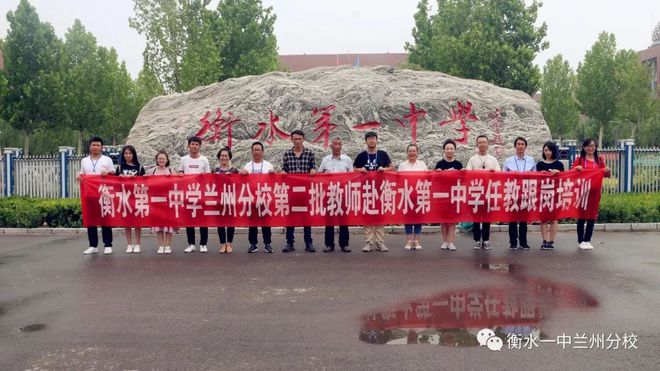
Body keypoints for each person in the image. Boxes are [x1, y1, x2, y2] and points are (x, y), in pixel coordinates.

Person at [353, 131, 393, 252]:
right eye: (369, 139)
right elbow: (353, 169)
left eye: (373, 138)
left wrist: (384, 169)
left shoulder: (383, 154)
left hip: (380, 189)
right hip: (366, 190)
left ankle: (380, 242)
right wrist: (360, 169)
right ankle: (369, 242)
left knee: (380, 216)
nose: (371, 140)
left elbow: (392, 167)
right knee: (368, 216)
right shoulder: (361, 156)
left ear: (376, 140)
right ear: (366, 141)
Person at [77, 136, 115, 255]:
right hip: (89, 194)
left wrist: (108, 172)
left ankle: (108, 244)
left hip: (104, 193)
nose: (95, 147)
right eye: (93, 145)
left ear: (102, 147)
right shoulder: (84, 161)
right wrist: (78, 177)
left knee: (105, 218)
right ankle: (93, 245)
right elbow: (82, 175)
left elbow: (113, 173)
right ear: (90, 147)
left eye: (98, 145)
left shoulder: (107, 160)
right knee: (91, 219)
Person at [281, 130, 317, 253]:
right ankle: (289, 243)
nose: (297, 141)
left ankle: (308, 242)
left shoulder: (309, 153)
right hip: (291, 191)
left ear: (303, 139)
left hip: (305, 191)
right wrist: (283, 173)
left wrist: (313, 170)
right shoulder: (287, 154)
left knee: (306, 218)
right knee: (290, 218)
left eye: (299, 139)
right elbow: (284, 169)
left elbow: (313, 167)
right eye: (295, 139)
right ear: (291, 140)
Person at [571, 138, 610, 250]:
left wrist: (607, 170)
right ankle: (581, 240)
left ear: (595, 147)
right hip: (582, 192)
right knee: (581, 216)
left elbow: (605, 174)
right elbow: (572, 173)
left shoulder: (599, 160)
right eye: (588, 146)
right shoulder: (580, 160)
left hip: (595, 192)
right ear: (584, 148)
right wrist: (576, 169)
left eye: (592, 146)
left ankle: (587, 239)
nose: (590, 148)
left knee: (592, 216)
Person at [318, 137, 353, 253]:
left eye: (339, 144)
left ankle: (344, 244)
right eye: (335, 144)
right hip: (329, 193)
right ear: (331, 146)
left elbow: (352, 177)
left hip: (343, 193)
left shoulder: (347, 160)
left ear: (341, 146)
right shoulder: (325, 160)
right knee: (329, 220)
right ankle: (329, 244)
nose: (337, 146)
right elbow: (319, 174)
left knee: (343, 220)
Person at [466, 134, 501, 250]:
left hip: (489, 192)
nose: (482, 144)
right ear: (476, 144)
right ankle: (476, 239)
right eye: (480, 142)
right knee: (476, 217)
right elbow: (467, 173)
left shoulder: (493, 160)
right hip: (476, 191)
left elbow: (499, 174)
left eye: (484, 142)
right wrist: (479, 171)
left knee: (487, 217)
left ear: (488, 144)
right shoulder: (472, 159)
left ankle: (486, 239)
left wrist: (492, 173)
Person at [178, 136, 211, 253]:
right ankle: (191, 243)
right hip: (188, 193)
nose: (194, 146)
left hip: (201, 193)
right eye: (192, 144)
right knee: (189, 219)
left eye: (197, 144)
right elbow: (180, 173)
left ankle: (203, 244)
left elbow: (208, 177)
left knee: (202, 219)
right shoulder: (183, 160)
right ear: (188, 146)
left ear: (200, 146)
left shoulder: (204, 160)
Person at [502, 137, 536, 250]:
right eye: (518, 144)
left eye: (522, 144)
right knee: (512, 219)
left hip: (526, 193)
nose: (520, 146)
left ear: (526, 146)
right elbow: (503, 177)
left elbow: (536, 176)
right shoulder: (508, 161)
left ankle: (523, 242)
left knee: (523, 219)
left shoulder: (531, 160)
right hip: (512, 192)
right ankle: (512, 242)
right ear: (515, 146)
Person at [241, 141, 275, 253]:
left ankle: (267, 244)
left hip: (265, 197)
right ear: (251, 152)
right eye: (254, 150)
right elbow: (242, 182)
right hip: (251, 198)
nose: (256, 152)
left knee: (266, 223)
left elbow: (273, 182)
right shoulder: (247, 166)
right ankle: (253, 244)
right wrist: (242, 175)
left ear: (263, 152)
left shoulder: (268, 165)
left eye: (258, 150)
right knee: (252, 223)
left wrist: (272, 174)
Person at [115, 145, 146, 254]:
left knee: (138, 222)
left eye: (130, 153)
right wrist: (120, 178)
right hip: (125, 196)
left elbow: (145, 182)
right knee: (127, 222)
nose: (128, 155)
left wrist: (136, 179)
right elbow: (114, 183)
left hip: (137, 196)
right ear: (123, 155)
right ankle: (129, 244)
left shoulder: (140, 167)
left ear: (134, 154)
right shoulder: (119, 167)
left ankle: (138, 243)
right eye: (126, 153)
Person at [397, 143, 428, 251]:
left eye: (414, 151)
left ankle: (417, 241)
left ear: (417, 153)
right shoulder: (402, 165)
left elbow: (427, 179)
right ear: (407, 153)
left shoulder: (422, 165)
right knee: (408, 219)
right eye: (410, 151)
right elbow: (399, 180)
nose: (412, 153)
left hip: (419, 195)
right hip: (406, 195)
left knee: (419, 219)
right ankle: (409, 241)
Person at [435, 139, 463, 251]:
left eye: (451, 148)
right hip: (442, 194)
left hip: (454, 194)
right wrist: (437, 172)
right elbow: (435, 179)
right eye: (447, 148)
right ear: (444, 150)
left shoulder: (458, 164)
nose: (449, 150)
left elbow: (463, 179)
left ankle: (451, 242)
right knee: (443, 220)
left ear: (454, 150)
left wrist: (463, 173)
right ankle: (444, 241)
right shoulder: (440, 164)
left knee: (452, 220)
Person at [536, 141, 564, 250]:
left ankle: (551, 241)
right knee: (543, 219)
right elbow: (535, 180)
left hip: (555, 194)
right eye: (546, 150)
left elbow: (564, 179)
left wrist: (558, 173)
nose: (548, 152)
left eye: (550, 150)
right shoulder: (539, 165)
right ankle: (544, 240)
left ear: (554, 151)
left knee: (554, 219)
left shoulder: (559, 164)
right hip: (542, 194)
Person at [149, 150, 177, 254]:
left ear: (167, 160)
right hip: (156, 201)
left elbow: (177, 183)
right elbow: (146, 183)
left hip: (168, 201)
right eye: (159, 158)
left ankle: (168, 246)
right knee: (159, 224)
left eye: (163, 159)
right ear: (157, 160)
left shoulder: (171, 171)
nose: (161, 160)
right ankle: (161, 245)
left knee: (169, 225)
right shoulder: (152, 171)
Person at [214, 147, 238, 254]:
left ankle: (229, 243)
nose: (224, 157)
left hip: (231, 199)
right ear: (219, 157)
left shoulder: (234, 170)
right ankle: (222, 244)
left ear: (229, 158)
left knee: (230, 222)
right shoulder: (215, 171)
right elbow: (211, 185)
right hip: (219, 199)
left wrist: (232, 178)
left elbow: (239, 185)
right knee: (220, 222)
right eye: (222, 156)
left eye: (226, 156)